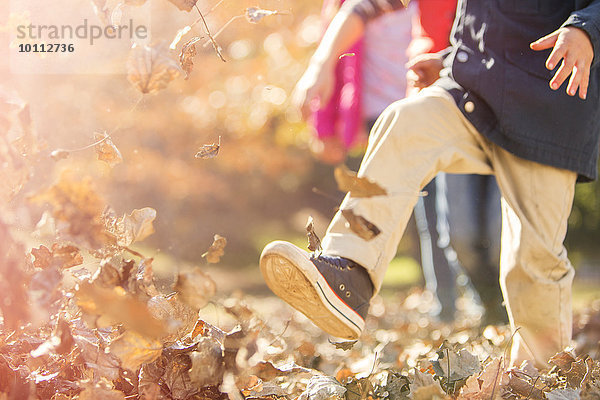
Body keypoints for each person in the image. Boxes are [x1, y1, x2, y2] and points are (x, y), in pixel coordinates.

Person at [261, 0, 600, 368]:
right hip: (472, 93)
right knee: (405, 122)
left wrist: (586, 28)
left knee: (534, 262)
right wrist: (449, 59)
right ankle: (350, 274)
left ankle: (541, 375)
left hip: (546, 106)